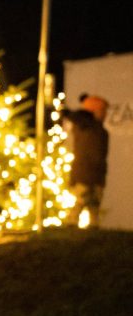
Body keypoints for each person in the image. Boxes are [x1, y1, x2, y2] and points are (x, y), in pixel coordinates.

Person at [62, 94, 109, 228]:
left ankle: (93, 224)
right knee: (81, 199)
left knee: (94, 202)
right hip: (85, 171)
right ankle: (72, 222)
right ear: (94, 111)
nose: (105, 114)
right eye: (103, 110)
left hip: (96, 172)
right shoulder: (86, 127)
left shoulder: (100, 130)